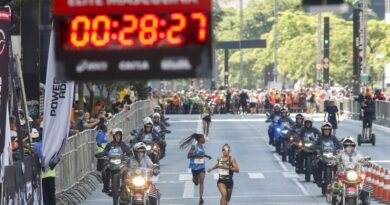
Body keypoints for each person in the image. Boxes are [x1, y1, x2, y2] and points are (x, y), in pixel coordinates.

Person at [335, 137, 370, 204]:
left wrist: (365, 162)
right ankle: (336, 198)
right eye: (347, 145)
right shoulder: (341, 154)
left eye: (351, 145)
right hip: (344, 174)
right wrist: (335, 161)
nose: (349, 147)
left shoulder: (357, 154)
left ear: (354, 146)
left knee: (364, 186)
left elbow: (361, 158)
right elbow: (337, 159)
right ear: (344, 146)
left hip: (355, 174)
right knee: (335, 185)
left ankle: (365, 201)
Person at [180, 133, 211, 205]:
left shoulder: (202, 146)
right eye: (203, 138)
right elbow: (188, 156)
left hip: (202, 167)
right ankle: (194, 178)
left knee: (202, 182)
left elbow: (202, 154)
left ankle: (201, 198)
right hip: (194, 167)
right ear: (200, 139)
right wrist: (195, 155)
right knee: (196, 183)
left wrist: (207, 156)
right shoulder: (194, 146)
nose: (204, 139)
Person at [98, 127, 132, 194]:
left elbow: (129, 152)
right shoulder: (109, 145)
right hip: (111, 163)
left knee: (129, 171)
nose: (118, 137)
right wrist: (100, 154)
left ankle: (127, 186)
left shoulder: (123, 144)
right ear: (114, 136)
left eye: (119, 135)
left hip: (121, 163)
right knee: (104, 171)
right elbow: (105, 151)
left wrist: (129, 154)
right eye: (116, 135)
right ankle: (106, 187)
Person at [314, 122, 342, 187]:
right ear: (322, 130)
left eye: (328, 130)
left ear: (330, 130)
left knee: (339, 166)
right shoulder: (320, 138)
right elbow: (316, 145)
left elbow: (340, 145)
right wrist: (317, 150)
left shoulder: (333, 138)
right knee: (315, 164)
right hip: (322, 156)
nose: (326, 131)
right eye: (325, 130)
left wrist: (338, 150)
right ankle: (318, 179)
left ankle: (337, 181)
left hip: (332, 157)